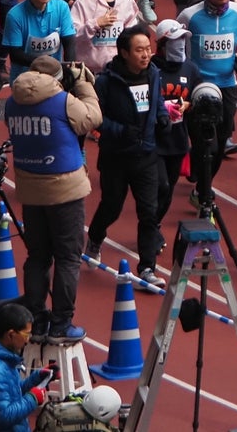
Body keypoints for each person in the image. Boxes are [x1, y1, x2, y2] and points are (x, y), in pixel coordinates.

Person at [6, 54, 102, 339]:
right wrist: (83, 83)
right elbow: (92, 118)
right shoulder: (62, 100)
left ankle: (34, 320)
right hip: (65, 189)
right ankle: (61, 323)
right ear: (57, 79)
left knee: (37, 256)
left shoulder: (12, 102)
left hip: (30, 188)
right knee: (68, 258)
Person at [87, 24, 172, 285]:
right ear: (124, 53)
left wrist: (162, 116)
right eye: (139, 50)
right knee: (112, 206)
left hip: (146, 155)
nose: (146, 55)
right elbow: (96, 117)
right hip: (116, 156)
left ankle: (147, 267)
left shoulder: (154, 74)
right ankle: (95, 237)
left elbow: (156, 101)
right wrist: (121, 131)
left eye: (148, 49)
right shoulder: (106, 82)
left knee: (149, 212)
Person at [0, 304, 52, 432]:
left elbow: (13, 391)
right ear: (11, 335)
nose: (27, 340)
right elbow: (1, 417)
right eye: (26, 334)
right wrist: (32, 398)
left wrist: (37, 378)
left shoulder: (4, 358)